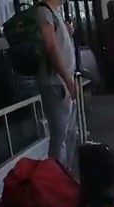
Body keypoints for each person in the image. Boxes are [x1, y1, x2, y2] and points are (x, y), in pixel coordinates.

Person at [36, 0, 78, 169]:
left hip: (62, 81)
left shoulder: (54, 13)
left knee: (69, 132)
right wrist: (67, 79)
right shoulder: (44, 12)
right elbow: (51, 47)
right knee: (60, 135)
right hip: (56, 83)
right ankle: (57, 178)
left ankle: (63, 175)